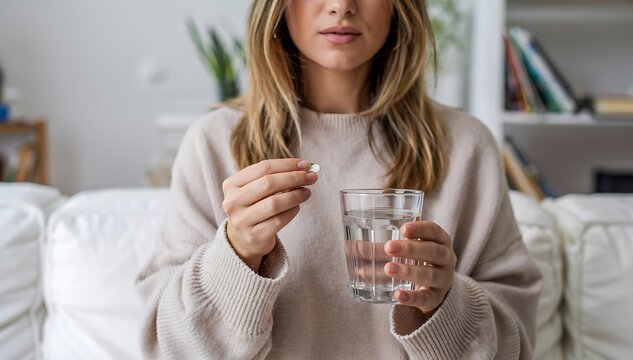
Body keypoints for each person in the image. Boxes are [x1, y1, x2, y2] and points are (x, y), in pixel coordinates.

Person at [136, 0, 542, 358]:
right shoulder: (214, 143)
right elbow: (169, 348)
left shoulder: (466, 147)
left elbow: (516, 345)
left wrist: (442, 304)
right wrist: (238, 251)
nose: (341, 5)